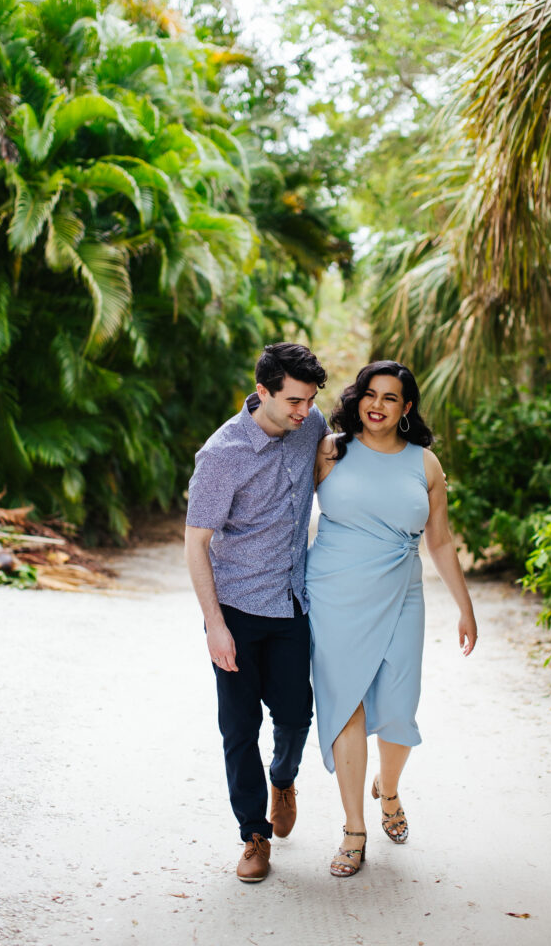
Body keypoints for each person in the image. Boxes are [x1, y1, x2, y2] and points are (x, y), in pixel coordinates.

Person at [305, 359, 478, 877]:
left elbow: (441, 541)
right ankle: (354, 828)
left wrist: (465, 607)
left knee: (400, 708)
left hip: (402, 593)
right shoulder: (331, 451)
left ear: (406, 409)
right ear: (358, 399)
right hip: (334, 592)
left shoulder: (425, 464)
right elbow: (286, 513)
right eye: (370, 394)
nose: (377, 405)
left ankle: (391, 789)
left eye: (390, 398)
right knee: (347, 703)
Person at [184, 343, 329, 883]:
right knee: (239, 727)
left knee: (295, 715)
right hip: (237, 608)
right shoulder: (221, 455)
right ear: (262, 391)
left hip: (292, 602)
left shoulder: (307, 425)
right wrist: (215, 626)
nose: (304, 411)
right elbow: (195, 544)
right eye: (294, 400)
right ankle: (253, 835)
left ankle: (283, 778)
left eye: (311, 400)